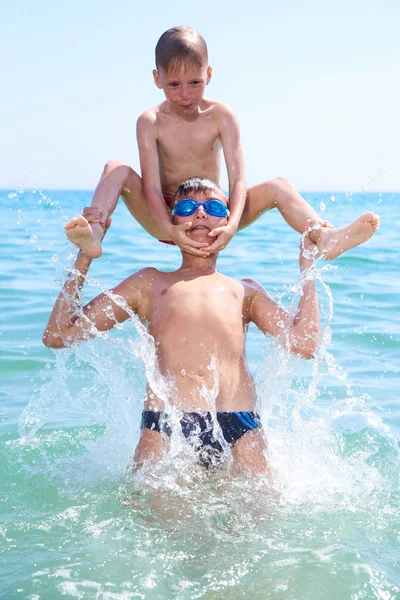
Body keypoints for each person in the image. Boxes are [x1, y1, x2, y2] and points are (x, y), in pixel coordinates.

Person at [44, 178, 321, 476]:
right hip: (166, 426)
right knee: (152, 519)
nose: (200, 214)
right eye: (187, 207)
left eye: (213, 206)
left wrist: (308, 265)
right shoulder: (149, 284)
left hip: (241, 426)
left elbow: (303, 345)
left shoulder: (246, 291)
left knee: (262, 518)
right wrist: (86, 254)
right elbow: (59, 335)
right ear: (171, 224)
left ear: (228, 221)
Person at [64, 25, 379, 261]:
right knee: (115, 167)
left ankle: (322, 236)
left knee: (279, 185)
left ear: (209, 74)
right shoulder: (150, 121)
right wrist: (171, 228)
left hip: (216, 215)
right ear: (157, 79)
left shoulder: (221, 116)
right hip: (166, 218)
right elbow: (151, 187)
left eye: (194, 83)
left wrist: (229, 226)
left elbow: (239, 179)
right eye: (173, 84)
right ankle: (95, 233)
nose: (185, 94)